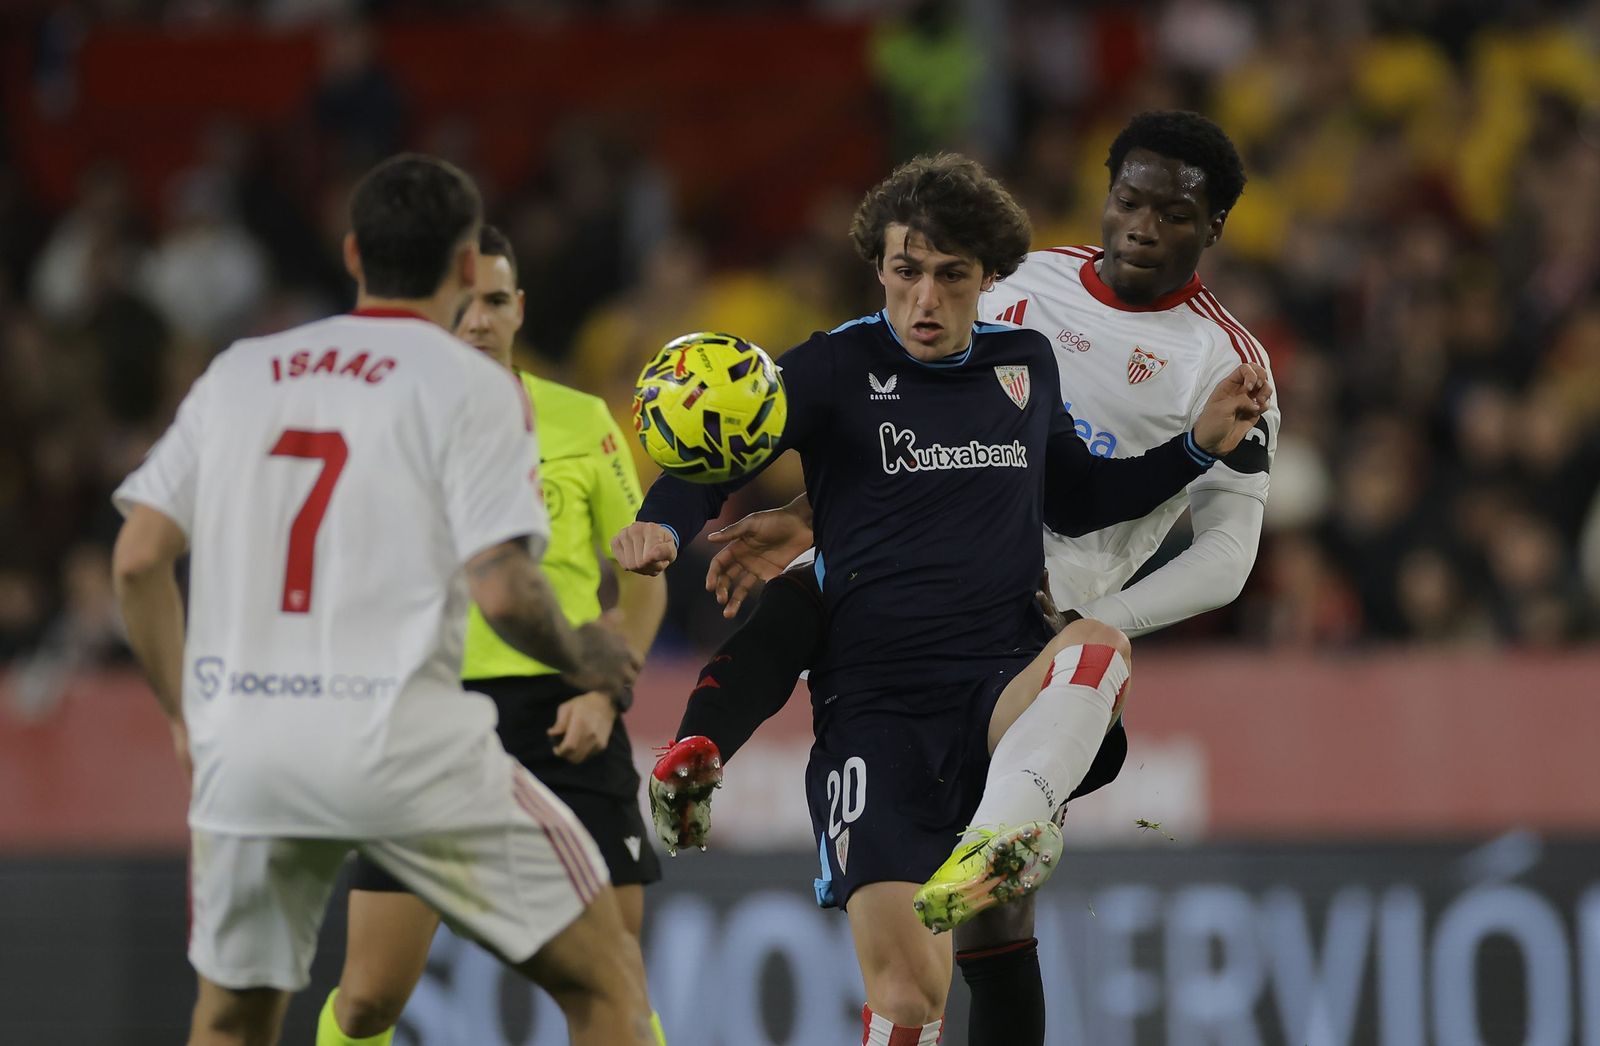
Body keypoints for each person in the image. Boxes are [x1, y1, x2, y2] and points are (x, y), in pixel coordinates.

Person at [613, 151, 1270, 1044]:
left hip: (996, 687)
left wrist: (1195, 449)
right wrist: (662, 521)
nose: (925, 299)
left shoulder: (1025, 364)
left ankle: (1004, 835)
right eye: (905, 272)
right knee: (910, 997)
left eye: (950, 276)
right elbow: (720, 450)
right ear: (878, 268)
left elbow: (1077, 499)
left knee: (1100, 645)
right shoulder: (834, 367)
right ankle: (704, 748)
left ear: (989, 279)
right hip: (876, 710)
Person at [110, 153, 656, 1046]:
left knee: (232, 1018)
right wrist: (589, 658)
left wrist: (184, 713)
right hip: (399, 738)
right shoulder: (469, 387)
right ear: (465, 268)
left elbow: (137, 562)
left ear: (354, 254)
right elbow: (505, 590)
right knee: (609, 984)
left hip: (249, 743)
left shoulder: (241, 372)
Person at [319, 224, 670, 1046]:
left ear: (520, 309)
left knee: (614, 982)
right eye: (463, 303)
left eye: (496, 301)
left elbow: (646, 570)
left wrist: (604, 688)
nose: (480, 320)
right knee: (368, 999)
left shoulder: (582, 420)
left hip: (564, 724)